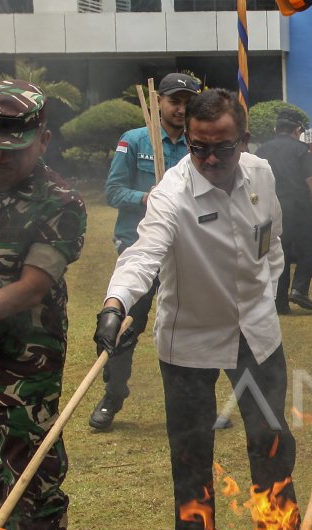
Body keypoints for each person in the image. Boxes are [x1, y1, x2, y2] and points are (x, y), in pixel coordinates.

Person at [95, 88, 297, 530]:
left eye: (222, 148)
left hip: (257, 336)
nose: (209, 159)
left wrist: (265, 295)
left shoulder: (261, 175)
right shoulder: (171, 195)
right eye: (198, 147)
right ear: (187, 140)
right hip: (189, 340)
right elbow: (142, 254)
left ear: (243, 140)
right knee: (191, 455)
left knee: (272, 441)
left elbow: (274, 241)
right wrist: (116, 304)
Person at [0, 80, 86, 530]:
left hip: (22, 364)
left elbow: (30, 288)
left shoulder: (60, 203)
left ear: (43, 140)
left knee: (30, 476)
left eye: (12, 151)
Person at [88, 72, 199, 432]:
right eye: (175, 101)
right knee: (124, 326)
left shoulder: (199, 144)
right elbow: (113, 192)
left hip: (184, 249)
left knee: (191, 327)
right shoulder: (134, 141)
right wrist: (147, 197)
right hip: (138, 245)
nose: (181, 109)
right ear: (158, 102)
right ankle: (112, 397)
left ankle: (198, 403)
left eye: (187, 102)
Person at [258, 110, 312, 313]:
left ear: (275, 130)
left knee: (280, 254)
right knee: (310, 250)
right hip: (297, 208)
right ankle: (299, 289)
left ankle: (280, 303)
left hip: (268, 210)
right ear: (297, 130)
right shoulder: (300, 150)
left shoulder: (261, 151)